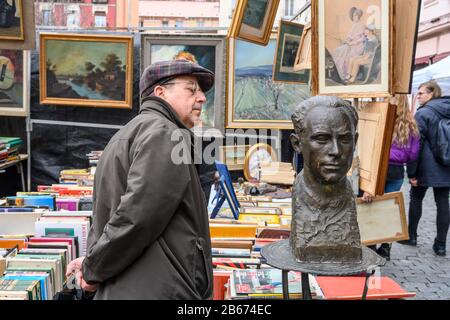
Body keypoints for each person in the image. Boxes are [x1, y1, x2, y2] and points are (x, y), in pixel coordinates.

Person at [65, 59, 215, 299]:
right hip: (158, 290)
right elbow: (137, 218)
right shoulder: (165, 134)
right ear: (160, 92)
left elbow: (111, 216)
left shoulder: (126, 135)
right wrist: (92, 269)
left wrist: (92, 263)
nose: (201, 98)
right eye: (191, 88)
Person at [290, 96, 362, 263]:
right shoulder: (301, 197)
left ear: (355, 141)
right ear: (297, 144)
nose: (336, 151)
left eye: (345, 139)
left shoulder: (348, 197)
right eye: (322, 139)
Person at [362, 94, 420, 260]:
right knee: (388, 208)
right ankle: (386, 247)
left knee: (371, 206)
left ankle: (371, 245)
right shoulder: (411, 125)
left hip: (379, 166)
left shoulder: (381, 117)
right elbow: (413, 153)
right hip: (396, 171)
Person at [399, 80, 450, 257]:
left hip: (425, 166)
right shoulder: (447, 109)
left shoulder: (424, 113)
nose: (418, 96)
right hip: (446, 164)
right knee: (443, 202)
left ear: (431, 93)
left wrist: (412, 172)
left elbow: (416, 145)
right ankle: (441, 245)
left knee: (416, 198)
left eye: (421, 93)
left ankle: (411, 236)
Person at [331, 7, 366, 82]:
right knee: (338, 51)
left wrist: (352, 43)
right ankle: (338, 73)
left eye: (356, 15)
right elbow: (349, 36)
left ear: (359, 16)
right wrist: (347, 40)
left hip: (358, 46)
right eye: (353, 16)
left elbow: (362, 39)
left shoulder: (362, 25)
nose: (354, 17)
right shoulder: (354, 25)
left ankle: (345, 75)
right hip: (350, 45)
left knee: (346, 55)